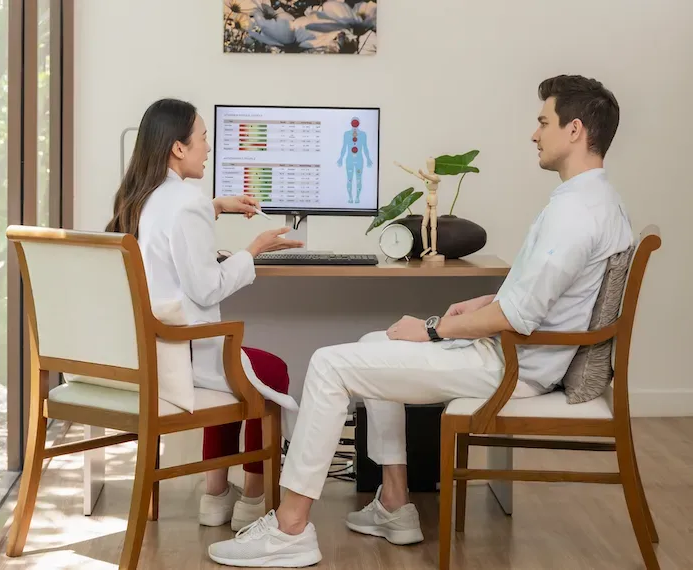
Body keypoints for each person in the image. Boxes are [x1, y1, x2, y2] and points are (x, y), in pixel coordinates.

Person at [207, 74, 632, 567]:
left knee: (328, 365)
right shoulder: (596, 202)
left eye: (543, 122)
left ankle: (290, 529)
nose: (534, 134)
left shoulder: (575, 213)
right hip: (516, 355)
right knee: (373, 339)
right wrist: (477, 303)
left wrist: (430, 329)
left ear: (575, 129)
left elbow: (521, 314)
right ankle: (394, 505)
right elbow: (544, 292)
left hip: (511, 368)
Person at [105, 98, 305, 531]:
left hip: (150, 353)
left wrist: (215, 207)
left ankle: (214, 496)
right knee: (268, 372)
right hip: (183, 359)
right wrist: (253, 251)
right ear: (178, 147)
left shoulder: (140, 198)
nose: (209, 147)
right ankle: (253, 499)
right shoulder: (185, 202)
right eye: (203, 137)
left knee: (235, 362)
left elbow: (170, 241)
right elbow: (207, 287)